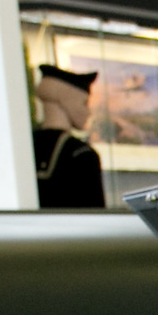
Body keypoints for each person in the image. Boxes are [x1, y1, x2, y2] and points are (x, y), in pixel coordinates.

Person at [30, 65, 105, 209]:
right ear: (66, 99)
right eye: (84, 103)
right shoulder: (83, 155)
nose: (88, 111)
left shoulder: (24, 147)